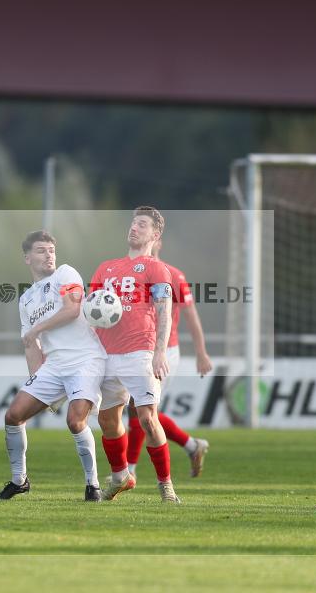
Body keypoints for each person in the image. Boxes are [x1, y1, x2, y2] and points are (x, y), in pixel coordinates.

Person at [0, 231, 106, 502]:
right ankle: (19, 481)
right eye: (42, 251)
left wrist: (37, 329)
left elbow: (72, 310)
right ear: (27, 258)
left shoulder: (66, 274)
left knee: (75, 420)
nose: (49, 255)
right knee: (13, 415)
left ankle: (93, 486)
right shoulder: (26, 300)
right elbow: (31, 345)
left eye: (52, 250)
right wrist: (37, 383)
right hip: (54, 366)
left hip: (86, 359)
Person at [90, 206, 181, 503]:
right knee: (107, 420)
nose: (134, 228)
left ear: (155, 234)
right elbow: (90, 310)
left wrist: (159, 352)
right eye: (133, 223)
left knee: (146, 417)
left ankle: (165, 486)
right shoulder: (106, 267)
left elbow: (163, 309)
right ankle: (120, 477)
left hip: (140, 351)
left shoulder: (156, 268)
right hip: (106, 354)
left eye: (141, 224)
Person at [126, 238, 212, 478]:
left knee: (139, 408)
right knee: (141, 411)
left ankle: (128, 471)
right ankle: (192, 446)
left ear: (158, 243)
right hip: (136, 350)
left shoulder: (173, 275)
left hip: (164, 352)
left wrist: (201, 353)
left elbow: (191, 316)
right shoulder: (130, 275)